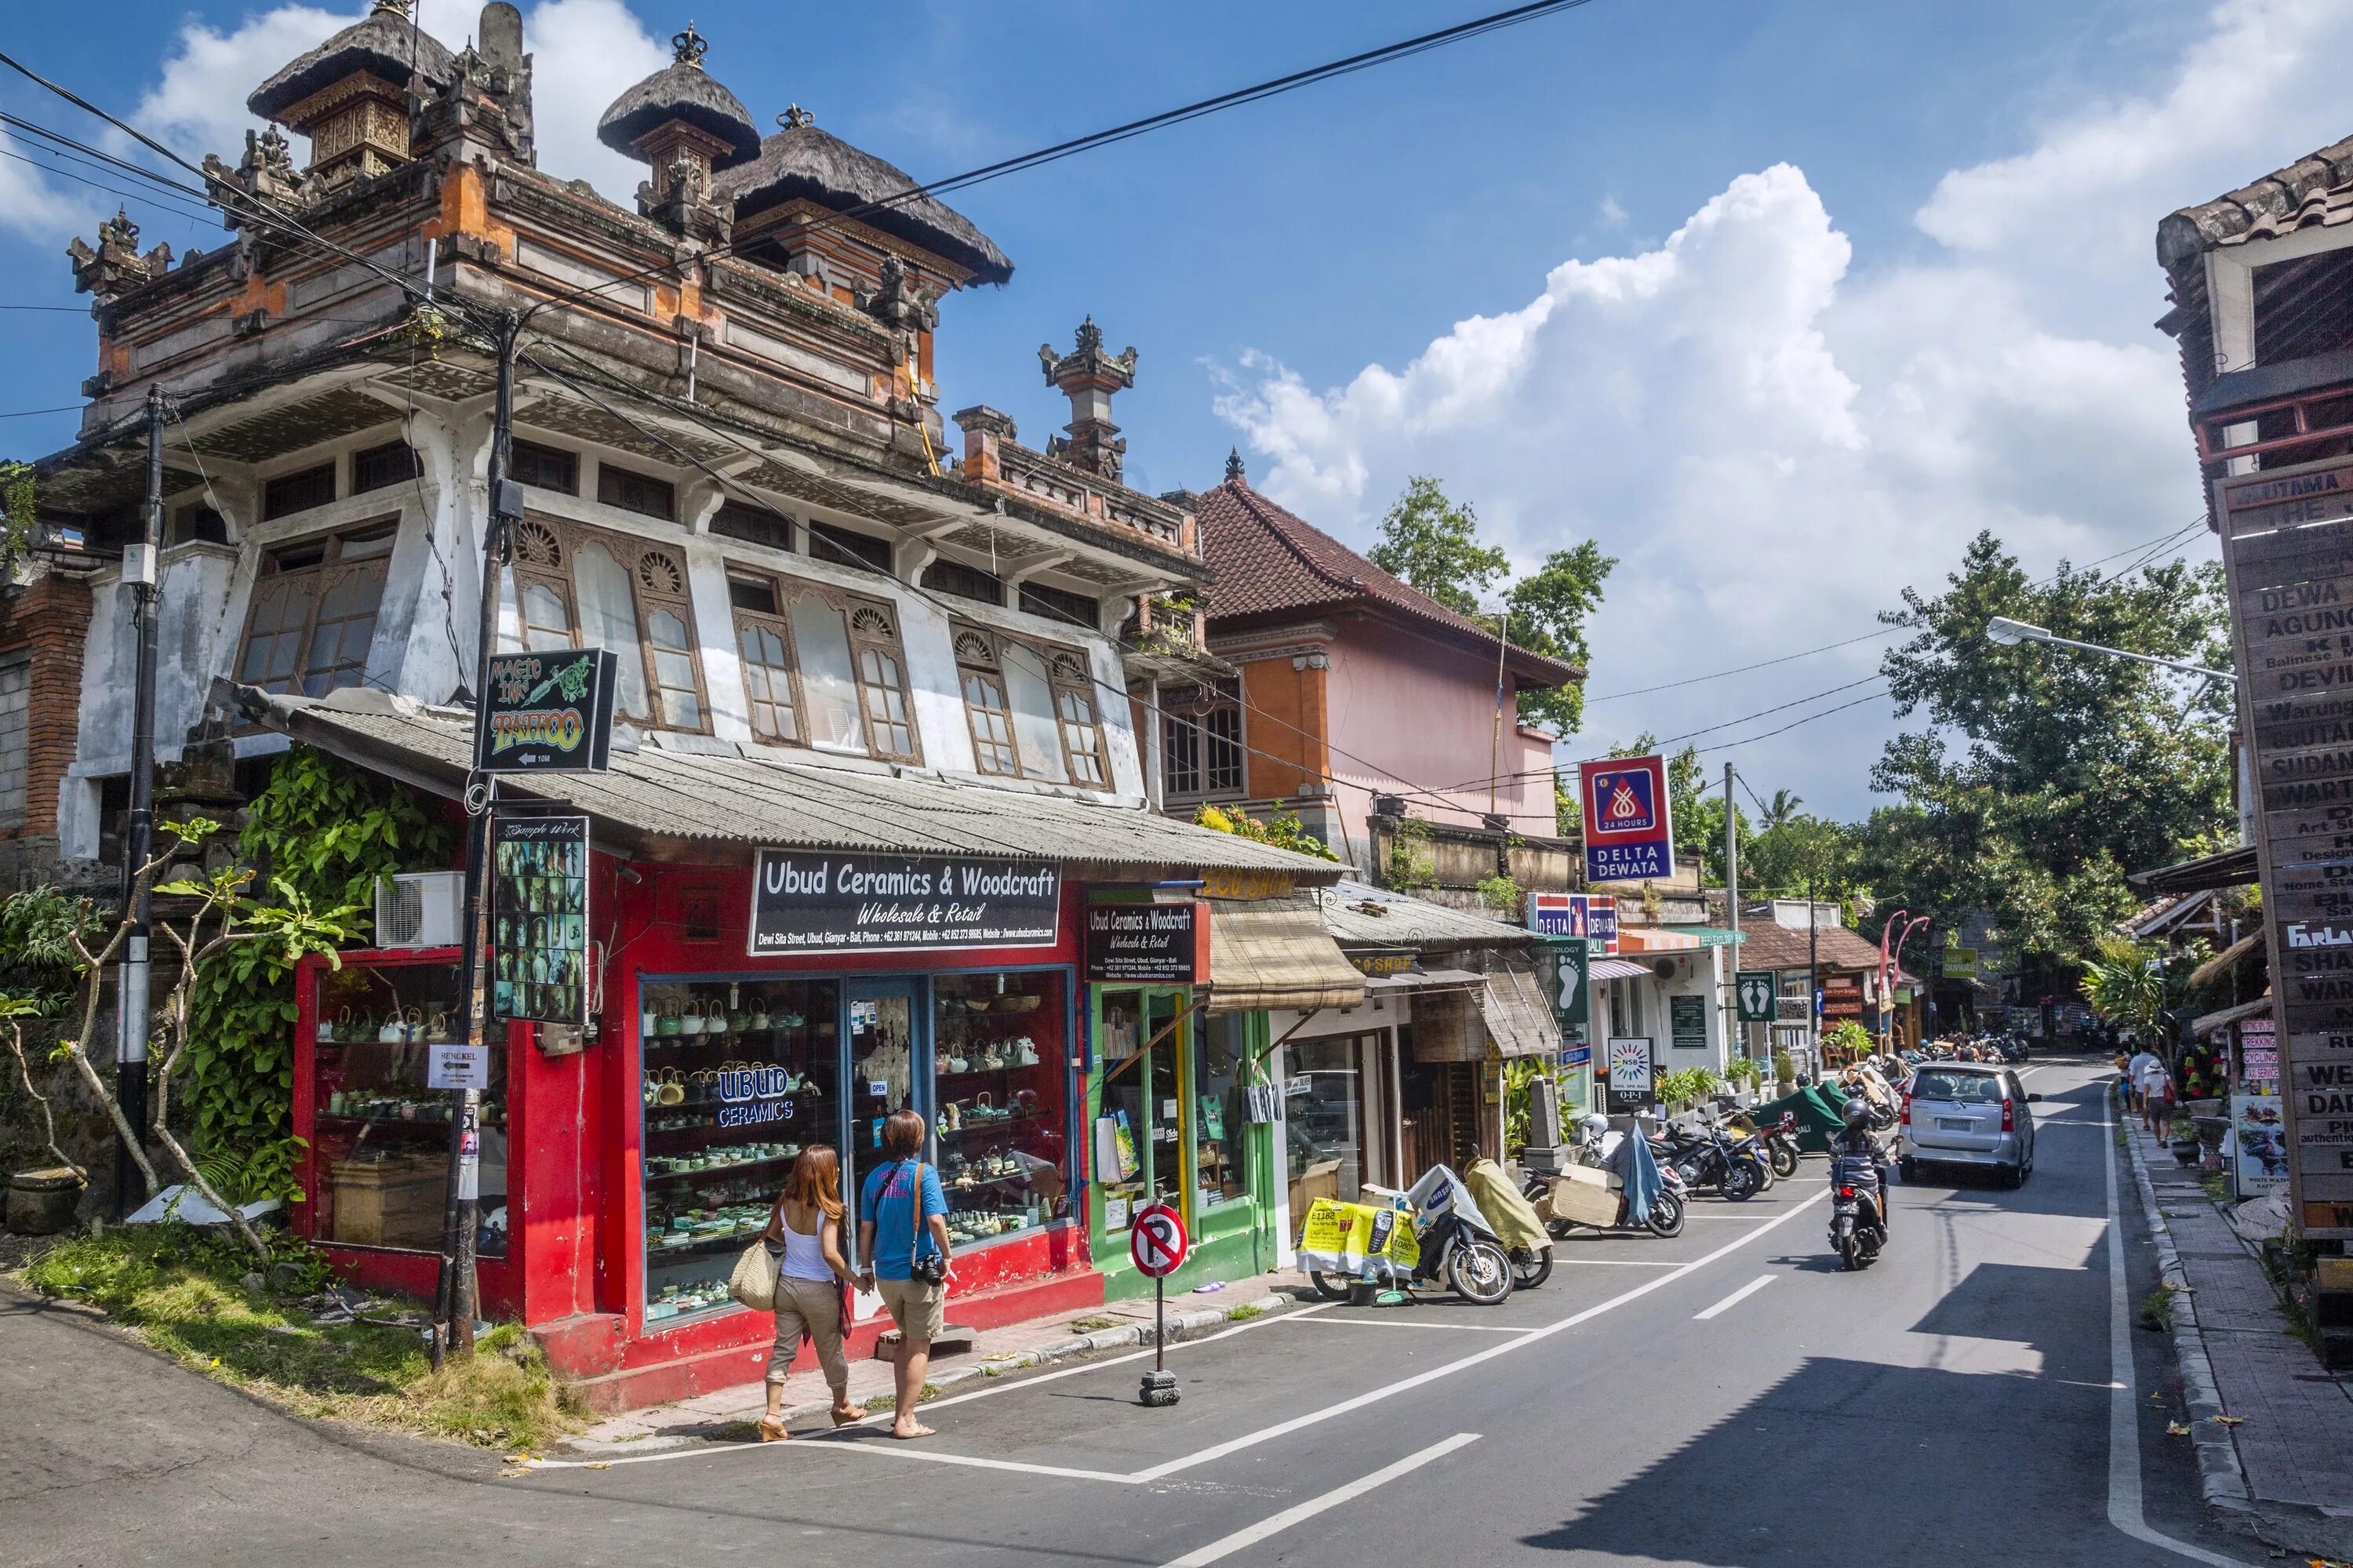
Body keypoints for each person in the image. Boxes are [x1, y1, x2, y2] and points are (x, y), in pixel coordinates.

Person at [858, 1109, 954, 1440]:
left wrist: (866, 1267)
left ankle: (901, 1411)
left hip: (886, 1275)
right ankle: (906, 1419)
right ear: (917, 1140)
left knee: (905, 1338)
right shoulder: (924, 1175)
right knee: (919, 1345)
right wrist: (948, 1256)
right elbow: (936, 1221)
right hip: (917, 1274)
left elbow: (867, 1227)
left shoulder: (874, 1178)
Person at [757, 1146, 860, 1442]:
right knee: (831, 1350)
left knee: (783, 1350)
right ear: (828, 1174)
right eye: (835, 1168)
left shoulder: (787, 1202)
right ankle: (841, 1405)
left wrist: (796, 1246)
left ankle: (772, 1415)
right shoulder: (830, 1210)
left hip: (787, 1285)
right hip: (817, 1288)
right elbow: (830, 1254)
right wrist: (854, 1278)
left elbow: (773, 1235)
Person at [1831, 1096, 1893, 1236]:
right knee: (1877, 1194)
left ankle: (1837, 1220)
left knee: (1836, 1198)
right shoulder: (1872, 1138)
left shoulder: (1840, 1137)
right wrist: (1892, 1160)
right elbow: (1884, 1161)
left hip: (1845, 1181)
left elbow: (1832, 1158)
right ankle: (1881, 1225)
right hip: (1867, 1183)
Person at [2141, 1053, 2175, 1136]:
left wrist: (2145, 1104)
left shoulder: (2147, 1079)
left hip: (2153, 1101)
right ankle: (2165, 1139)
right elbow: (2173, 1089)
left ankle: (2158, 1140)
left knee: (2156, 1123)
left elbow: (2146, 1092)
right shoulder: (2166, 1076)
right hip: (2165, 1100)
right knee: (2166, 1121)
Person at [2126, 1042, 2158, 1117]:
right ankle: (2151, 1118)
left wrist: (2130, 1086)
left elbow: (2132, 1074)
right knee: (2151, 1103)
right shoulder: (2154, 1059)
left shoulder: (2135, 1059)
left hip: (2140, 1087)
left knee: (2142, 1106)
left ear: (2140, 1049)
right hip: (2153, 1086)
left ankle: (2145, 1121)